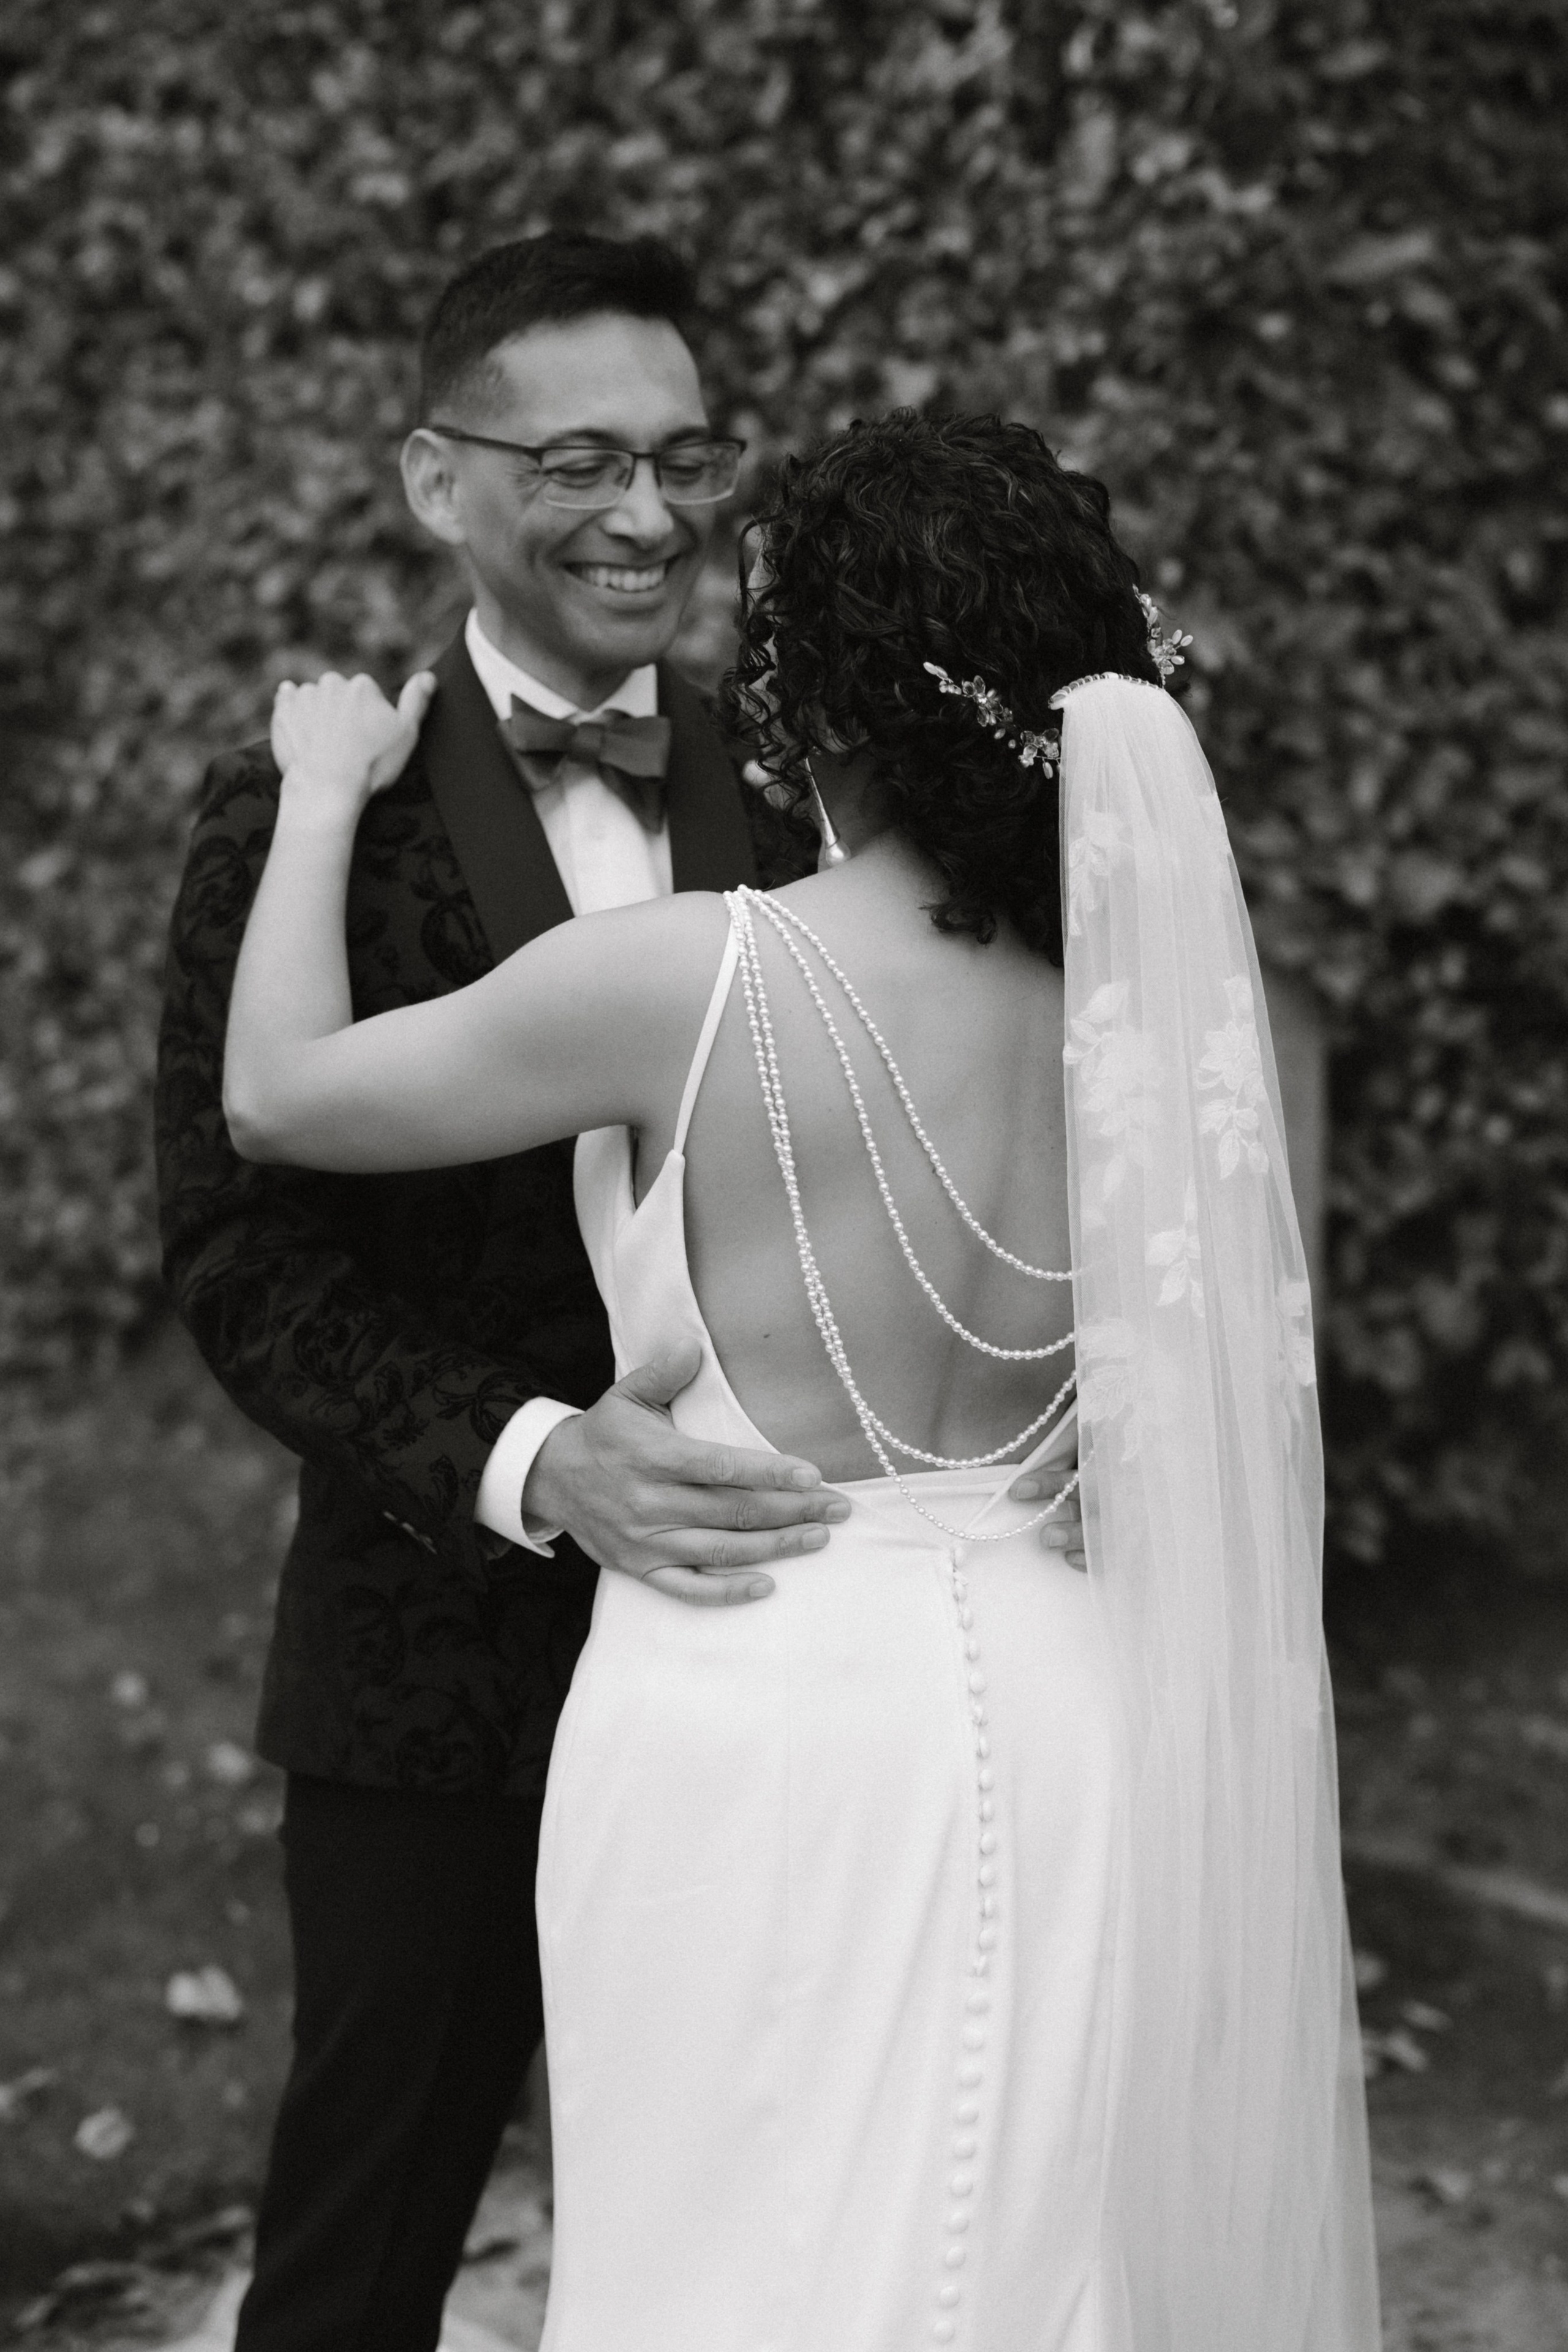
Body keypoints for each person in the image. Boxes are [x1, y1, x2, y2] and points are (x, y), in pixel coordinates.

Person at [221, 410, 1379, 2351]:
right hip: (1072, 1684)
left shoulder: (684, 978)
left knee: (733, 2264)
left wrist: (320, 790)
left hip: (745, 1689)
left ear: (812, 691)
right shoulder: (1174, 1003)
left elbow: (276, 1097)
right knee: (1030, 2267)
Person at [155, 231, 921, 2352]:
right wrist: (530, 1464)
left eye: (689, 459)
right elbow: (236, 1252)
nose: (652, 516)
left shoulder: (816, 795)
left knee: (778, 2220)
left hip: (790, 1632)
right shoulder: (304, 824)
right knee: (366, 2236)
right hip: (437, 1661)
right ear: (437, 480)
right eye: (582, 460)